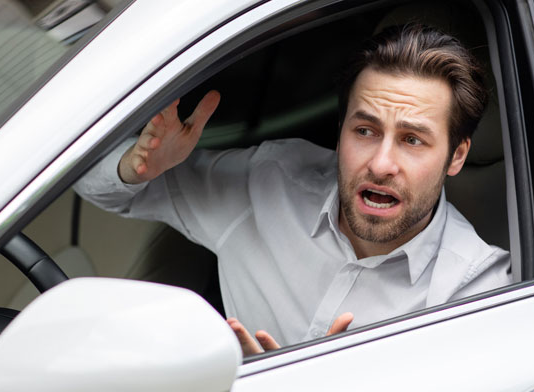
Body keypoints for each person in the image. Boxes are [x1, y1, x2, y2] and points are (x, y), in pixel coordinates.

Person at [74, 24, 511, 355]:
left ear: (456, 156)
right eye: (364, 130)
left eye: (412, 140)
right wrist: (139, 166)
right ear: (339, 132)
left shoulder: (474, 292)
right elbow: (108, 191)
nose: (380, 164)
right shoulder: (269, 183)